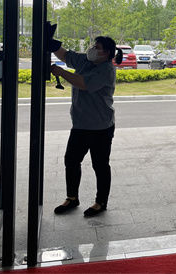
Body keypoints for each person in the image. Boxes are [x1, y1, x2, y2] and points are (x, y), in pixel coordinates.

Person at [49, 35, 123, 217]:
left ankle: (100, 202)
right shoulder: (86, 60)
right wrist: (51, 43)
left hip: (100, 127)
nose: (92, 49)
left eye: (96, 47)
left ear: (106, 53)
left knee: (100, 165)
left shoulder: (107, 70)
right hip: (80, 124)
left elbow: (83, 83)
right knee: (71, 161)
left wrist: (61, 73)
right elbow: (65, 55)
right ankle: (72, 198)